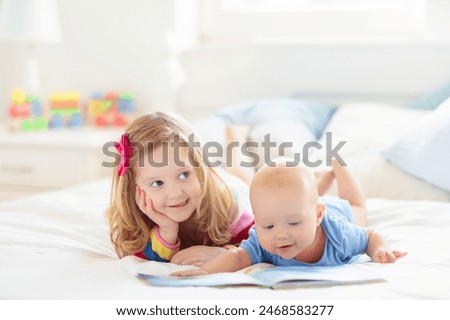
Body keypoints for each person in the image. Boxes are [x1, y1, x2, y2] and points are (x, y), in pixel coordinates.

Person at [172, 158, 406, 276]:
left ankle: (337, 166)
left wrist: (379, 250)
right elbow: (237, 257)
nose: (280, 234)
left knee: (358, 208)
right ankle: (317, 183)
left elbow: (370, 235)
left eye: (294, 224)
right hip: (303, 206)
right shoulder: (262, 239)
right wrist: (206, 273)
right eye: (268, 225)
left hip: (338, 212)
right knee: (294, 201)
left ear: (317, 216)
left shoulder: (339, 235)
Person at [106, 112, 255, 266]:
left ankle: (235, 138)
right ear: (132, 189)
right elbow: (138, 255)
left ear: (200, 167)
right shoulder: (136, 218)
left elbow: (260, 242)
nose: (175, 193)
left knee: (242, 176)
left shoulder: (230, 207)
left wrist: (224, 253)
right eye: (157, 183)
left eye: (184, 175)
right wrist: (166, 231)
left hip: (231, 187)